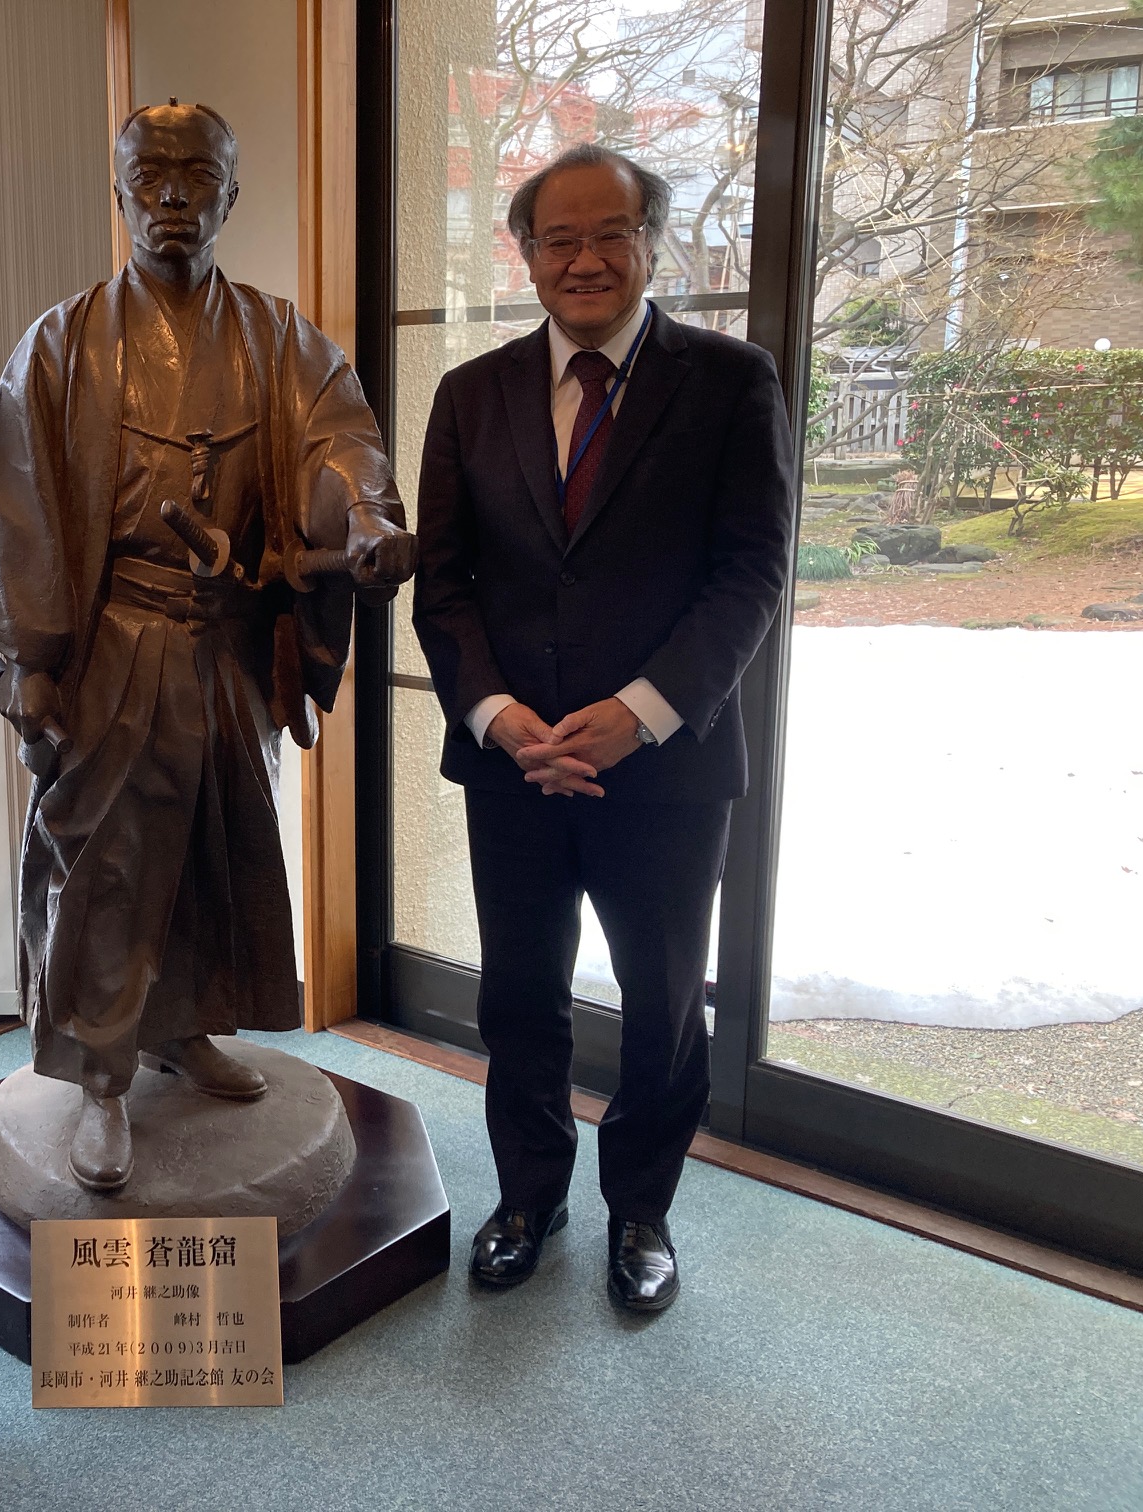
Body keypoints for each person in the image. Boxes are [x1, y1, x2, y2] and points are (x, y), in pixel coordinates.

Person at [0, 101, 415, 1192]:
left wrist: (364, 516)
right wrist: (32, 659)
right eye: (150, 174)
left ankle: (183, 1025)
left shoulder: (278, 338)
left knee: (217, 845)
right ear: (120, 190)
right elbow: (17, 502)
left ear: (230, 194)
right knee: (111, 858)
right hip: (115, 637)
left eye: (198, 175)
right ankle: (103, 1076)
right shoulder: (63, 344)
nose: (173, 195)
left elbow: (338, 440)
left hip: (229, 640)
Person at [411, 143, 794, 1314]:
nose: (585, 259)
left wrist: (642, 714)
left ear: (650, 243)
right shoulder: (470, 394)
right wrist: (497, 716)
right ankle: (530, 1196)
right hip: (516, 766)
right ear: (525, 255)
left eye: (610, 234)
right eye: (558, 239)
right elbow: (444, 583)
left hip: (667, 772)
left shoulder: (730, 381)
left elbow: (750, 574)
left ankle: (642, 1209)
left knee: (663, 1002)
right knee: (519, 995)